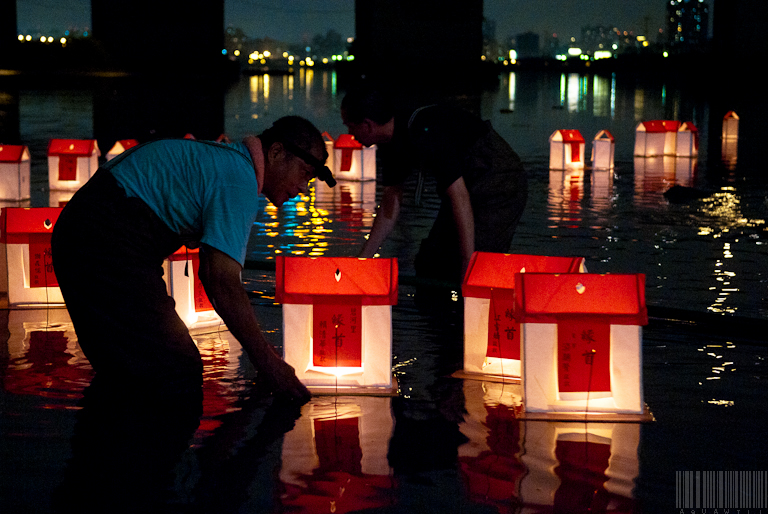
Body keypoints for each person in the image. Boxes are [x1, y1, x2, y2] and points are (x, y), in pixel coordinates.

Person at [51, 116, 335, 403]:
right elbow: (220, 279)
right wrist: (269, 362)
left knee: (126, 368)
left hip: (83, 233)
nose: (303, 187)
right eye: (304, 173)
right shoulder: (239, 178)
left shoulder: (225, 160)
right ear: (275, 152)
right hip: (104, 242)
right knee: (175, 369)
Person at [341, 84, 528, 284]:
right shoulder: (391, 144)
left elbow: (459, 195)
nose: (351, 133)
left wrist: (467, 261)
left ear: (367, 125)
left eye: (351, 126)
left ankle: (473, 305)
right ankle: (439, 312)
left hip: (498, 183)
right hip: (466, 187)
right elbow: (390, 204)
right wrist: (362, 260)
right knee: (430, 262)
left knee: (477, 266)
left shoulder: (426, 132)